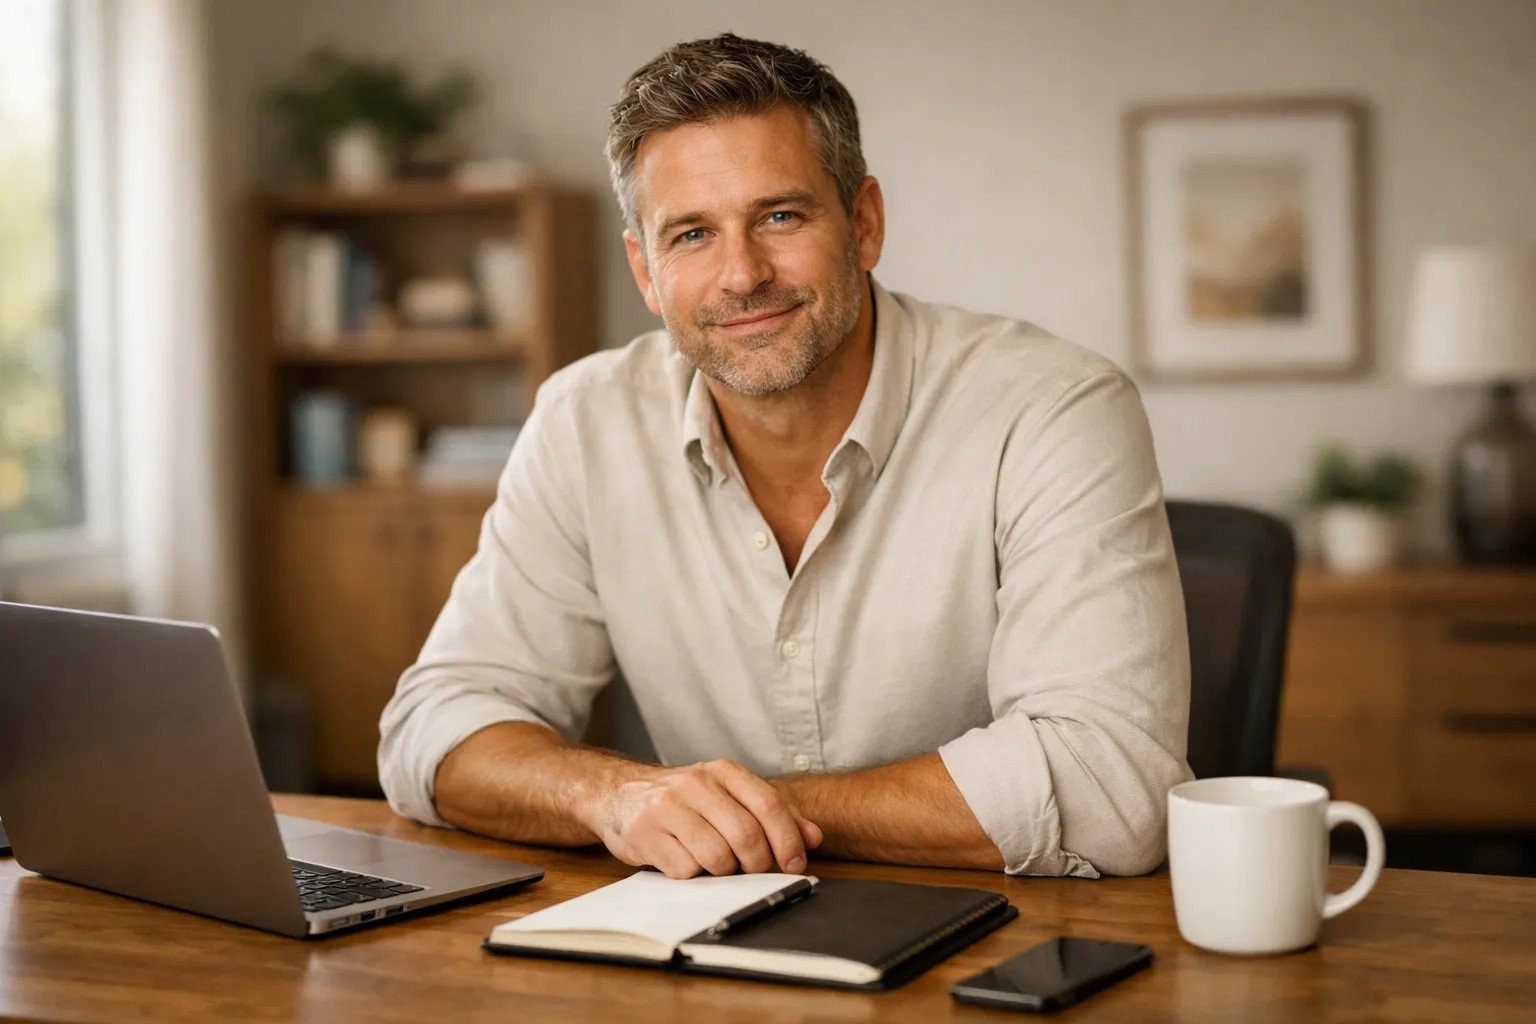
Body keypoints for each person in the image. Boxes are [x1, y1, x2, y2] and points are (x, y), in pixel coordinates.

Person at [379, 33, 1191, 881]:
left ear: (864, 222)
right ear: (646, 272)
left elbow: (1111, 787)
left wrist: (735, 815)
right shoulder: (585, 424)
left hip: (1008, 956)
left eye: (780, 216)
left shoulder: (1054, 409)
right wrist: (614, 797)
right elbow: (433, 729)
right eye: (691, 234)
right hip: (704, 953)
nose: (742, 274)